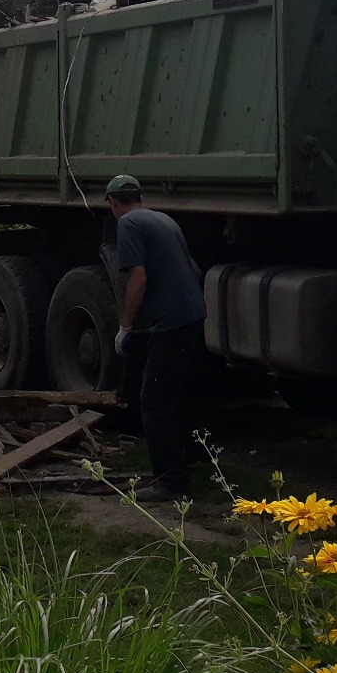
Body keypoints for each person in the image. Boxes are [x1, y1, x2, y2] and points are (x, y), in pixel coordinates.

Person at [105, 173, 207, 502]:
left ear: (112, 202)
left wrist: (126, 326)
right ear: (139, 195)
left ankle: (172, 482)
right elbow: (194, 269)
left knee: (153, 401)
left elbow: (137, 277)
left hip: (171, 322)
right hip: (191, 315)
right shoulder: (164, 219)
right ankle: (196, 451)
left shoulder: (128, 224)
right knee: (174, 388)